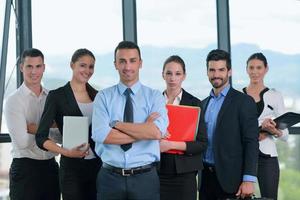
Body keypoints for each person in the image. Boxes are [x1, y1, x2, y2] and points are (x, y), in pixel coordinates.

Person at [92, 41, 169, 200]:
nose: (127, 67)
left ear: (140, 63)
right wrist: (144, 129)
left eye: (132, 61)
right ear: (115, 64)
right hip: (110, 178)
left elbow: (156, 132)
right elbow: (102, 135)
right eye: (122, 61)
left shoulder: (154, 97)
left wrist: (116, 124)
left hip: (145, 179)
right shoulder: (103, 97)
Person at [35, 48, 102, 200]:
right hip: (71, 169)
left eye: (91, 66)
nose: (87, 70)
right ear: (72, 65)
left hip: (98, 166)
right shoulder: (56, 96)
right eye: (82, 65)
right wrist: (66, 152)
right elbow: (40, 137)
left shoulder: (98, 96)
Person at [199, 49, 259, 199]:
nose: (216, 74)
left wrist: (248, 179)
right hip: (205, 178)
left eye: (221, 70)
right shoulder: (202, 104)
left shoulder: (243, 102)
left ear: (229, 71)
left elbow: (251, 142)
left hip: (232, 180)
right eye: (212, 70)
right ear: (207, 72)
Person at [4, 48, 60, 200]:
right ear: (21, 67)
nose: (34, 71)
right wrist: (51, 128)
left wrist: (37, 129)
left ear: (43, 68)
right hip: (25, 170)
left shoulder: (52, 97)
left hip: (51, 168)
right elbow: (22, 142)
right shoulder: (13, 101)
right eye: (29, 66)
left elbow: (62, 137)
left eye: (38, 66)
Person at [159, 55, 207, 200]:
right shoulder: (153, 102)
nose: (173, 78)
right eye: (169, 73)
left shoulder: (195, 104)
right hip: (158, 171)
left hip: (185, 173)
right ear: (163, 75)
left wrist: (171, 145)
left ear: (184, 76)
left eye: (177, 74)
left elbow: (202, 143)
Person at [242, 52, 288, 200]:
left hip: (267, 157)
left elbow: (285, 135)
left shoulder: (275, 95)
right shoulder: (238, 96)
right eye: (251, 68)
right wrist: (258, 129)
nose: (254, 72)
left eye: (259, 68)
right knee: (242, 196)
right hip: (243, 155)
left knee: (270, 197)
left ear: (266, 69)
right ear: (246, 69)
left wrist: (274, 131)